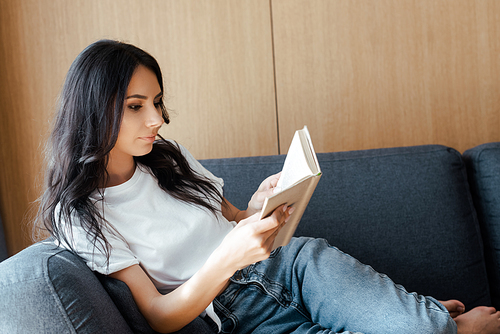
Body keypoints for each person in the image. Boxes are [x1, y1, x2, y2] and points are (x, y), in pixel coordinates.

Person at [36, 39, 500, 334]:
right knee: (426, 331)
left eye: (156, 102)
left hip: (292, 265)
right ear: (94, 108)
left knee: (419, 329)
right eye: (136, 106)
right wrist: (228, 258)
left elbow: (234, 220)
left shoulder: (167, 156)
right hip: (238, 312)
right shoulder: (78, 212)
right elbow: (159, 316)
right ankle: (426, 321)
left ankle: (413, 318)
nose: (157, 119)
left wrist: (258, 206)